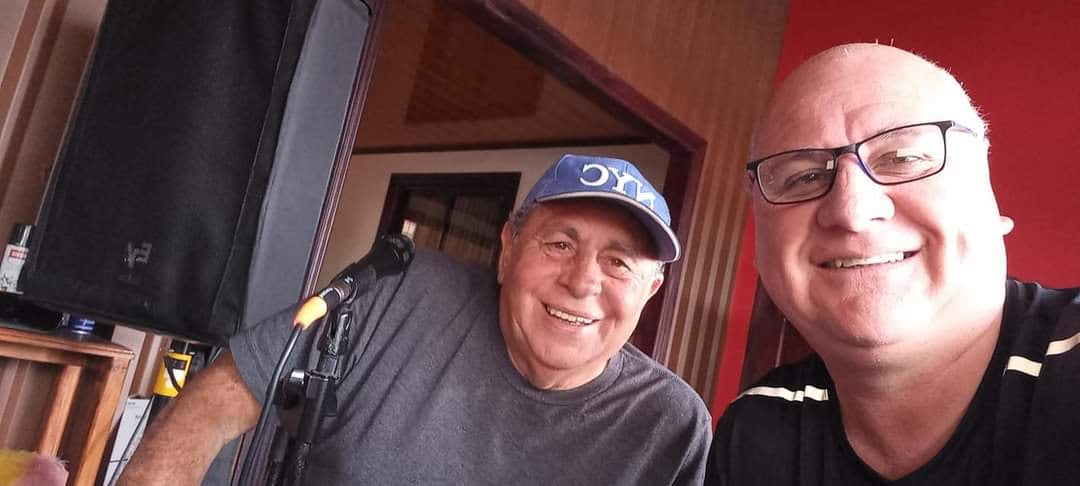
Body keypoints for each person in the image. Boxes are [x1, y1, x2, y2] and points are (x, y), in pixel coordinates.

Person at [121, 154, 711, 485]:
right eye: (559, 244)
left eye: (618, 263)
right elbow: (225, 392)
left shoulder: (670, 424)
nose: (582, 282)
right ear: (508, 250)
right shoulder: (399, 294)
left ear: (651, 290)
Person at [706, 43, 1080, 485]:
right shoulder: (756, 430)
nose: (851, 210)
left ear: (991, 201)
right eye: (804, 176)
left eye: (902, 158)